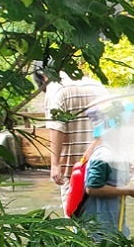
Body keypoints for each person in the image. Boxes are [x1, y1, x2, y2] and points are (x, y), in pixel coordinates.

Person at [74, 100, 134, 243]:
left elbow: (120, 183)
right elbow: (92, 188)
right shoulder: (103, 155)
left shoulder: (119, 152)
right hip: (96, 232)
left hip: (114, 227)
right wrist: (128, 191)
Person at [36, 66, 107, 216]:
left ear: (42, 77)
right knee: (106, 219)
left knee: (76, 220)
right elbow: (116, 123)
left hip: (75, 171)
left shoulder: (55, 89)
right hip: (105, 164)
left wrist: (55, 164)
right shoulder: (96, 85)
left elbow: (57, 127)